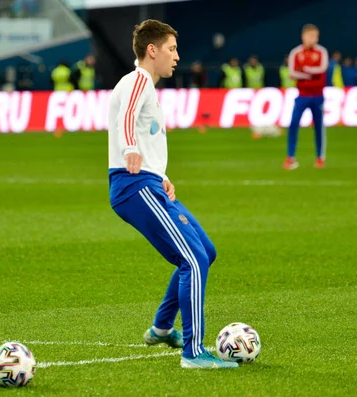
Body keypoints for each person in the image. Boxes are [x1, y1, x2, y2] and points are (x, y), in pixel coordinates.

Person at [108, 19, 238, 369]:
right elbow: (126, 118)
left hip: (148, 182)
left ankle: (163, 327)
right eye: (171, 49)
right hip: (133, 184)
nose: (177, 56)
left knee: (204, 252)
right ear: (152, 51)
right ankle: (193, 352)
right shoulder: (138, 81)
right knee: (192, 260)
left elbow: (140, 128)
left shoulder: (144, 85)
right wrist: (130, 149)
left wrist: (161, 174)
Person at [284, 24, 328, 170]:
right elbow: (292, 73)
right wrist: (309, 74)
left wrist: (305, 70)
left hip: (318, 95)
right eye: (311, 36)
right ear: (303, 36)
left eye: (316, 36)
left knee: (319, 128)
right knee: (293, 124)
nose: (313, 39)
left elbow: (322, 69)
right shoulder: (296, 53)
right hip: (302, 95)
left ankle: (320, 158)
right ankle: (290, 157)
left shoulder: (321, 51)